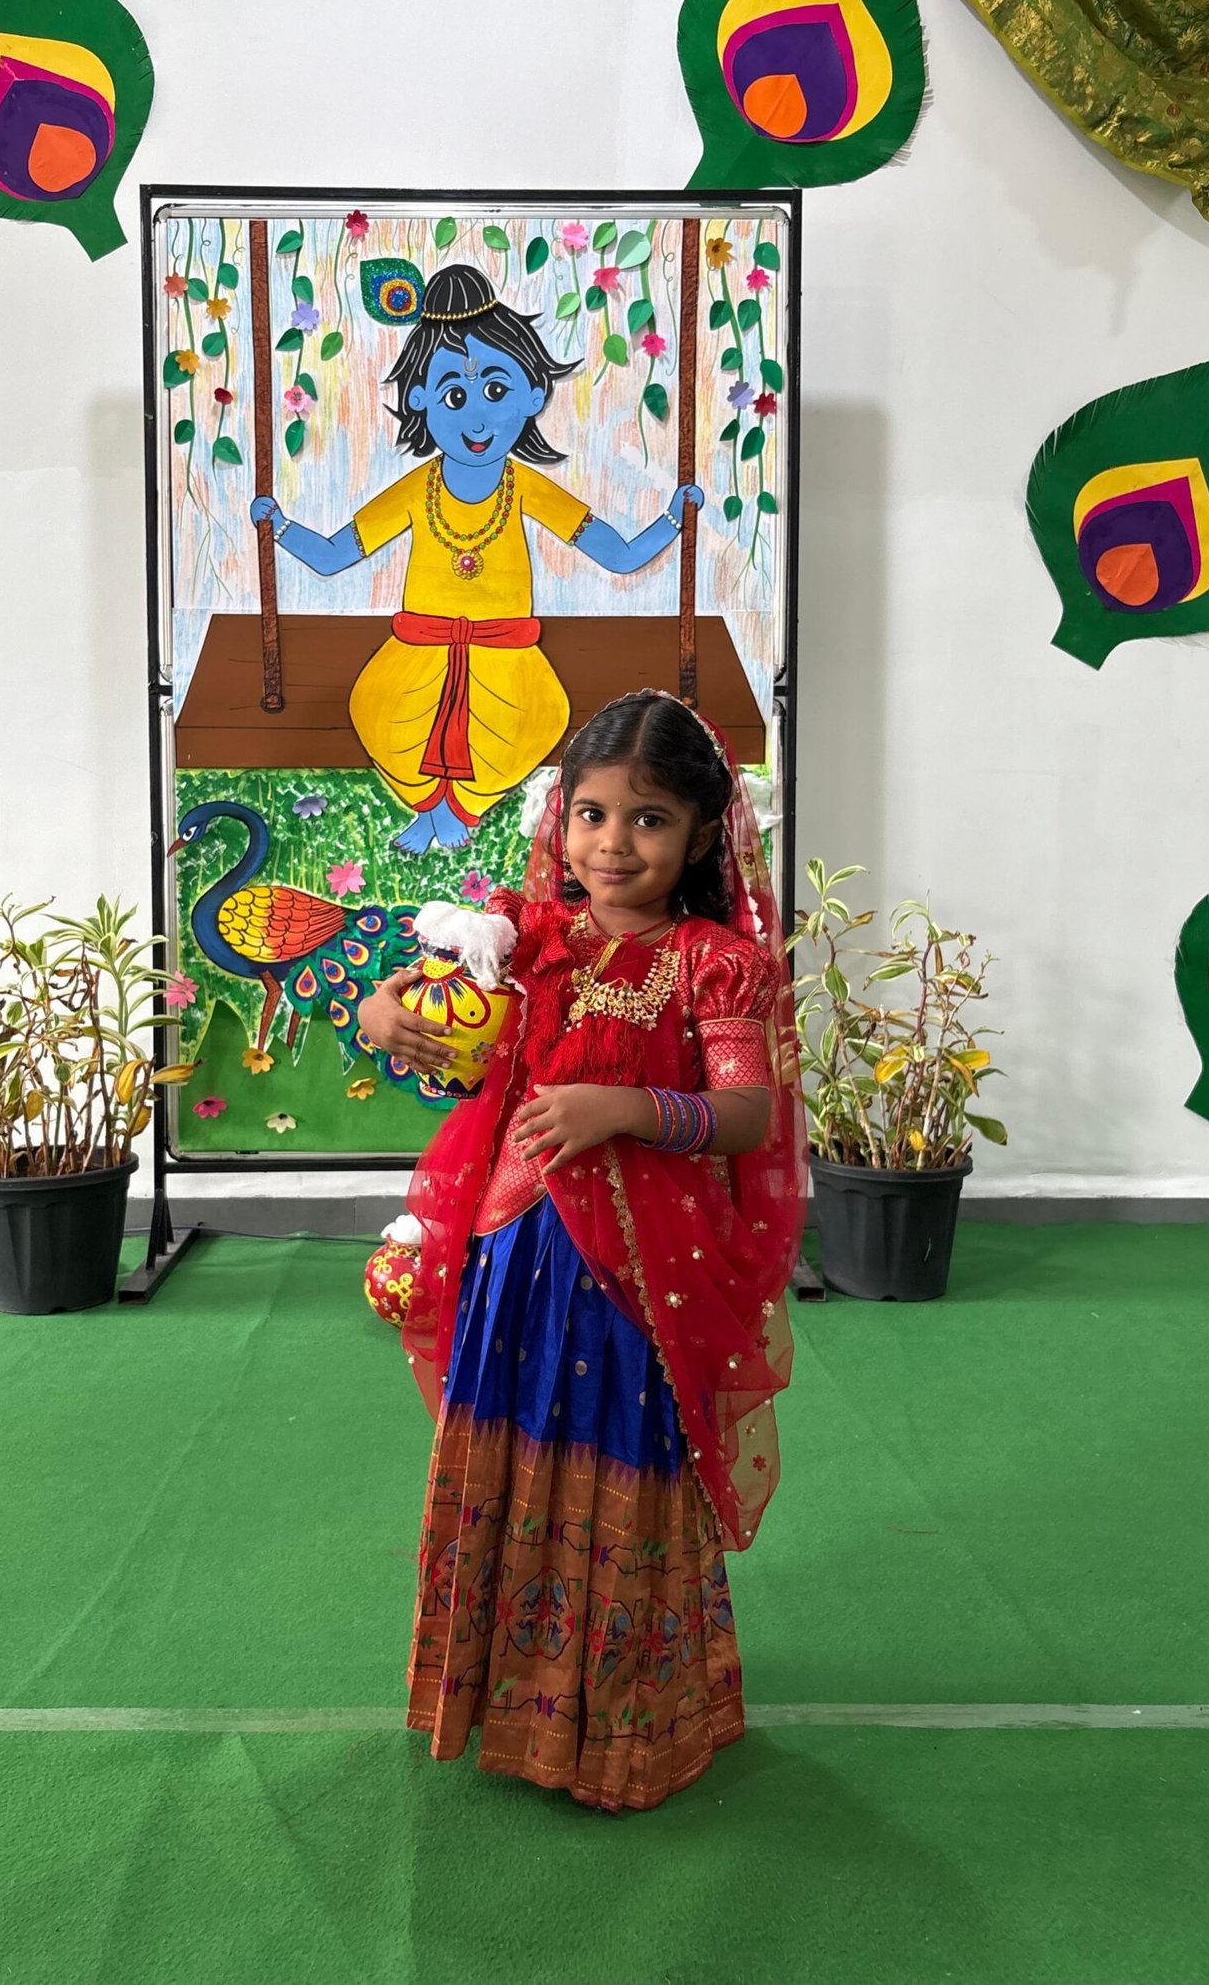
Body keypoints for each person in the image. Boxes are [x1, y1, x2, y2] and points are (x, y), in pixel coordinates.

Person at [358, 690, 806, 1811]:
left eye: (650, 819)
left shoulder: (714, 963)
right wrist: (381, 1009)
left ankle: (623, 1732)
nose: (614, 843)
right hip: (516, 1252)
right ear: (561, 820)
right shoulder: (526, 937)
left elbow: (747, 1115)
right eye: (593, 814)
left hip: (639, 1281)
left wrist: (627, 1107)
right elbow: (420, 997)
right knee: (507, 1457)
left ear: (701, 836)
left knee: (624, 1462)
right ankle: (506, 1704)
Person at [250, 264, 702, 853]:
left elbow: (616, 556)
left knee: (539, 714)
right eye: (454, 396)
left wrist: (673, 520)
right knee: (379, 709)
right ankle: (430, 809)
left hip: (505, 655)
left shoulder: (526, 487)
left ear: (534, 394)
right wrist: (280, 528)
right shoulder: (416, 489)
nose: (476, 418)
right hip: (418, 652)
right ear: (420, 399)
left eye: (495, 391)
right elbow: (336, 556)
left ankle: (461, 812)